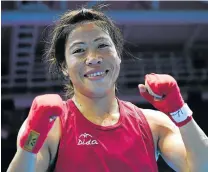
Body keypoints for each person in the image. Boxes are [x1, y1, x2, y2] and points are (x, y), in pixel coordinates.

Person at [7, 6, 208, 172]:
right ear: (64, 67)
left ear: (118, 55)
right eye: (79, 50)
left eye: (102, 45)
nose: (93, 57)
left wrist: (179, 111)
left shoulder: (153, 123)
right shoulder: (52, 125)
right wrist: (32, 139)